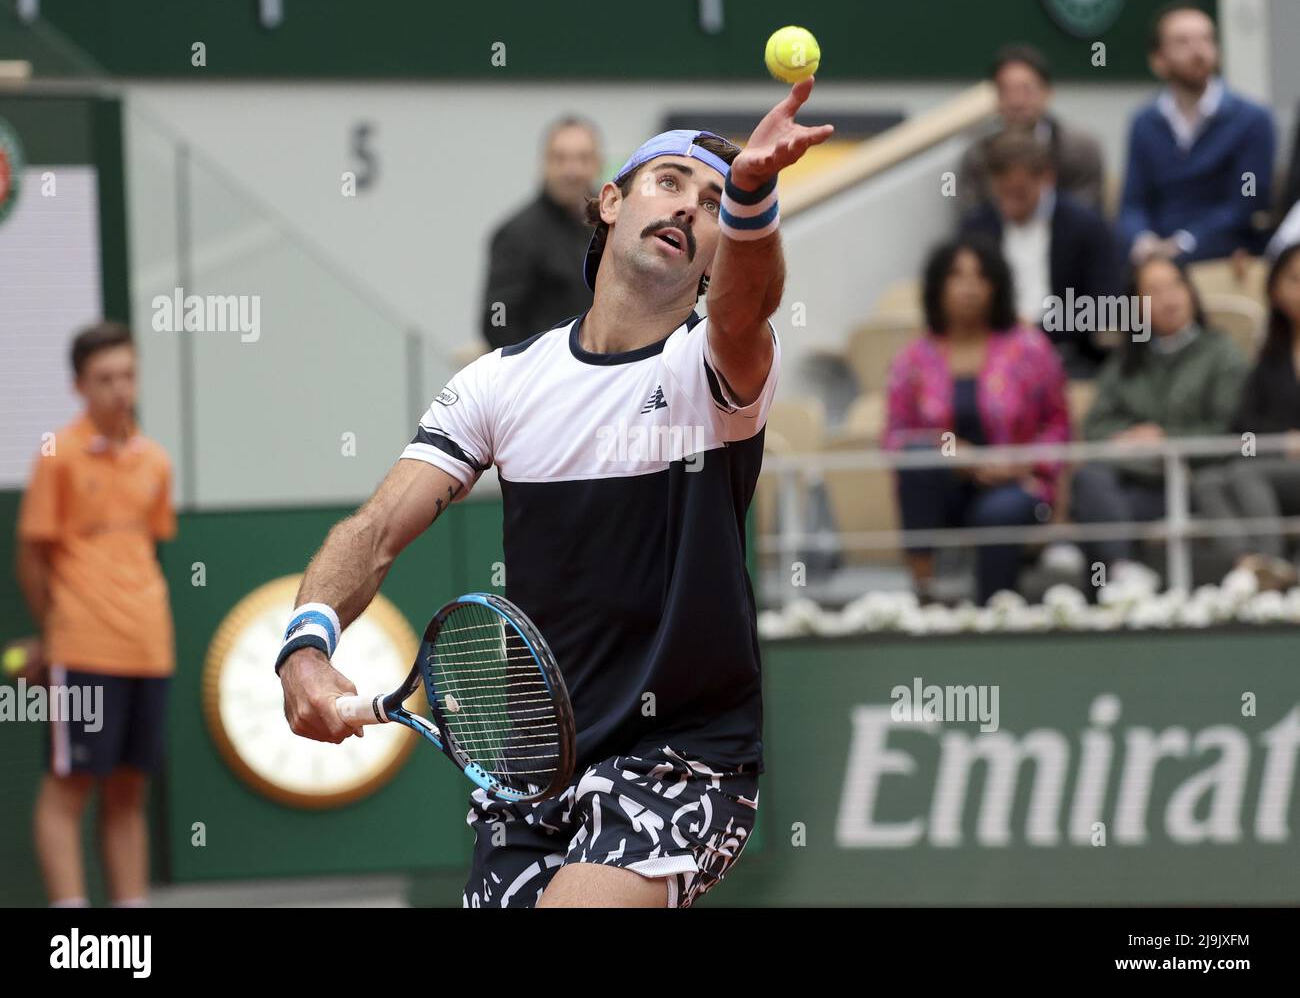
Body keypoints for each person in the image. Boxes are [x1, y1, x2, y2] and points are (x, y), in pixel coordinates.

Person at [277, 82, 832, 907]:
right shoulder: (500, 384)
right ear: (609, 202)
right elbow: (378, 528)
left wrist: (754, 200)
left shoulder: (715, 371)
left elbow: (750, 305)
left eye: (713, 203)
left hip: (682, 756)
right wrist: (305, 642)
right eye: (670, 182)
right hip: (533, 768)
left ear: (720, 248)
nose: (689, 206)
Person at [10, 322, 176, 908]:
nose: (119, 390)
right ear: (79, 385)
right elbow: (32, 555)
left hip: (150, 648)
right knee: (69, 788)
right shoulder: (57, 456)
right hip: (82, 648)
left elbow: (147, 547)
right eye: (104, 379)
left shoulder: (155, 460)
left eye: (127, 375)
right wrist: (57, 629)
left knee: (129, 791)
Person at [883, 236, 1070, 604]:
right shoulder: (914, 359)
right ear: (938, 287)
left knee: (997, 513)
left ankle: (994, 615)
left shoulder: (1029, 349)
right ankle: (924, 594)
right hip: (947, 489)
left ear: (996, 286)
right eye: (957, 276)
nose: (969, 286)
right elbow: (895, 438)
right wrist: (954, 453)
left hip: (1018, 485)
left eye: (980, 276)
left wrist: (1017, 464)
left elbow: (1059, 427)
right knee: (918, 456)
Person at [1072, 256, 1248, 594]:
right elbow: (1095, 426)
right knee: (1091, 481)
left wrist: (1165, 438)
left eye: (1175, 285)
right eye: (1153, 290)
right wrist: (1134, 440)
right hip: (1141, 487)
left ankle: (1108, 592)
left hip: (1199, 484)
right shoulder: (1128, 359)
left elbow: (1231, 431)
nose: (1169, 297)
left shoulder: (1220, 351)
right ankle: (1123, 577)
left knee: (1101, 518)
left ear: (1191, 292)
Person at [1117, 2, 1276, 265]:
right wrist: (1142, 240)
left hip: (1223, 257)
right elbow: (1133, 202)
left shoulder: (1252, 120)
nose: (1199, 51)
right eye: (1183, 42)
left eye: (1206, 39)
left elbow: (1246, 203)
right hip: (1155, 262)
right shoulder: (1144, 122)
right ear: (1158, 60)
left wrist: (1183, 243)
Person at [961, 129, 1121, 377]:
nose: (1008, 205)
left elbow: (1103, 307)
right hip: (990, 355)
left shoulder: (1087, 227)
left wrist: (1036, 330)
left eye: (1019, 193)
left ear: (1046, 178)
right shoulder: (977, 228)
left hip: (1067, 354)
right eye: (1001, 194)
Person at [1193, 243, 1300, 584]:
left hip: (1267, 472)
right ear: (1276, 291)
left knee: (1244, 472)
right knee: (1207, 480)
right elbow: (1245, 426)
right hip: (1279, 464)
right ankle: (1250, 563)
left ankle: (1274, 563)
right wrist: (1281, 441)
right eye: (1296, 279)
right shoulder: (1269, 360)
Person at [479, 116, 603, 349]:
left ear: (598, 163)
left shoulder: (612, 228)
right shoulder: (516, 234)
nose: (572, 170)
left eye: (583, 158)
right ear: (544, 163)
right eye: (560, 158)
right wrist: (521, 364)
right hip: (542, 377)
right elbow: (497, 316)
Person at [957, 43, 1104, 216]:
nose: (1017, 102)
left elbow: (1087, 218)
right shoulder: (977, 155)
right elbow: (971, 218)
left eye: (1026, 90)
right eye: (1007, 91)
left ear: (1047, 93)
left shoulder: (1080, 150)